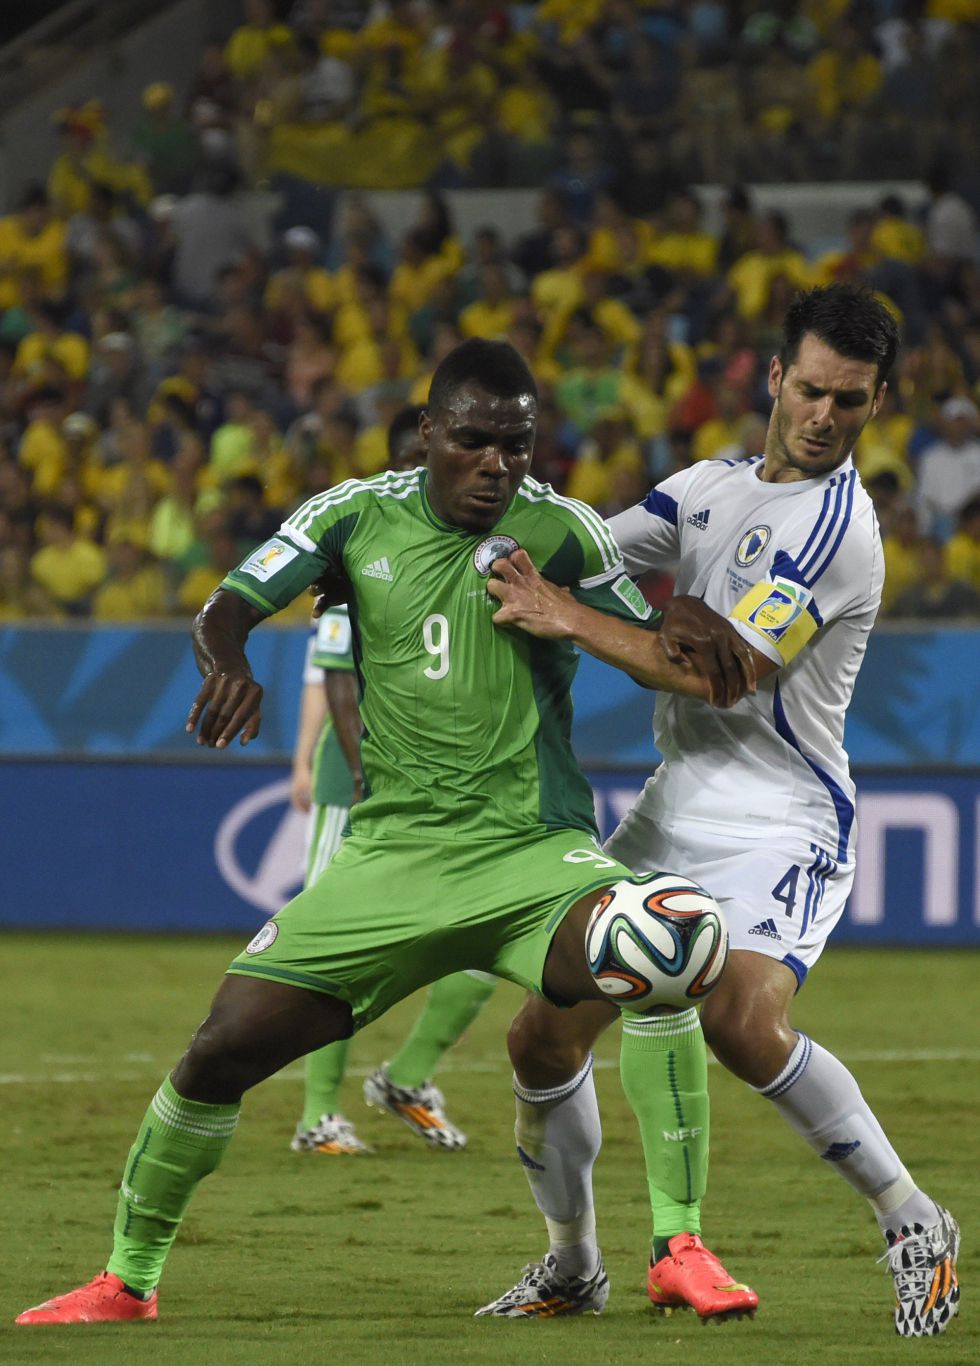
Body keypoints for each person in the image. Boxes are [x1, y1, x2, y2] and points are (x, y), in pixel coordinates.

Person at [15, 338, 754, 1326]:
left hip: (531, 857)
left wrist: (646, 624)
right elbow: (227, 605)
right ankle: (126, 1281)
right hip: (391, 861)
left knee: (671, 938)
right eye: (474, 440)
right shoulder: (352, 514)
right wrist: (226, 660)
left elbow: (665, 659)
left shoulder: (565, 532)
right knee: (218, 1052)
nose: (497, 464)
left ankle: (677, 1246)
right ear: (428, 433)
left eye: (516, 445)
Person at [478, 286, 960, 1339]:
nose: (824, 416)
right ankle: (574, 1264)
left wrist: (563, 616)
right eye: (812, 389)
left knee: (741, 1020)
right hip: (674, 803)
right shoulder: (702, 488)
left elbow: (722, 674)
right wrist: (465, 556)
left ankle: (912, 1218)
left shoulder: (837, 529)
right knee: (540, 1041)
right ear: (775, 376)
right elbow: (581, 550)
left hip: (782, 815)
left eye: (850, 400)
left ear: (878, 403)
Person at [289, 405, 495, 1155]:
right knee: (335, 952)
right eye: (416, 459)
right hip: (360, 787)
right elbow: (336, 676)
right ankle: (318, 1116)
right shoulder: (357, 551)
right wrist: (363, 772)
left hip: (450, 787)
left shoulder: (472, 551)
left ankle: (406, 1079)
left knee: (482, 952)